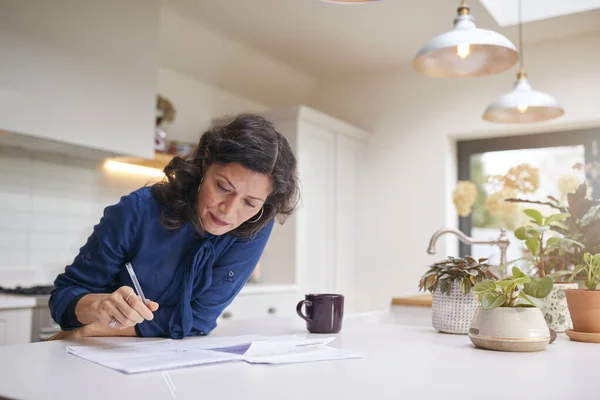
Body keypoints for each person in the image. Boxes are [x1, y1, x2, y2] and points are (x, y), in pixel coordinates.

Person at [48, 113, 299, 340]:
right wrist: (97, 306)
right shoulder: (137, 210)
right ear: (206, 162)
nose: (229, 211)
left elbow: (200, 319)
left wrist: (95, 329)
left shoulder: (255, 226)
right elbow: (64, 297)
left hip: (148, 356)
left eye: (250, 202)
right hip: (95, 354)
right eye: (222, 187)